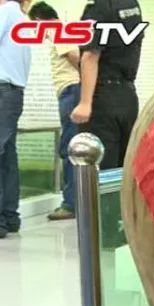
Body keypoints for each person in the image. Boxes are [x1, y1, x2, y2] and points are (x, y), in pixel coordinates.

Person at [70, 0, 144, 171]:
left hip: (103, 98)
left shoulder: (99, 7)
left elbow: (90, 56)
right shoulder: (132, 5)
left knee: (97, 169)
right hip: (127, 95)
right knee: (122, 170)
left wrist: (85, 103)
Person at [28, 1, 80, 220]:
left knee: (70, 149)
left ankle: (71, 204)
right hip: (72, 91)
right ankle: (77, 202)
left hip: (71, 90)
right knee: (73, 147)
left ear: (39, 21)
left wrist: (84, 77)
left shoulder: (58, 30)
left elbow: (75, 57)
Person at [0, 0, 31, 238]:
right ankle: (10, 217)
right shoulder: (21, 17)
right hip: (13, 92)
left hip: (2, 90)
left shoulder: (6, 12)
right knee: (7, 155)